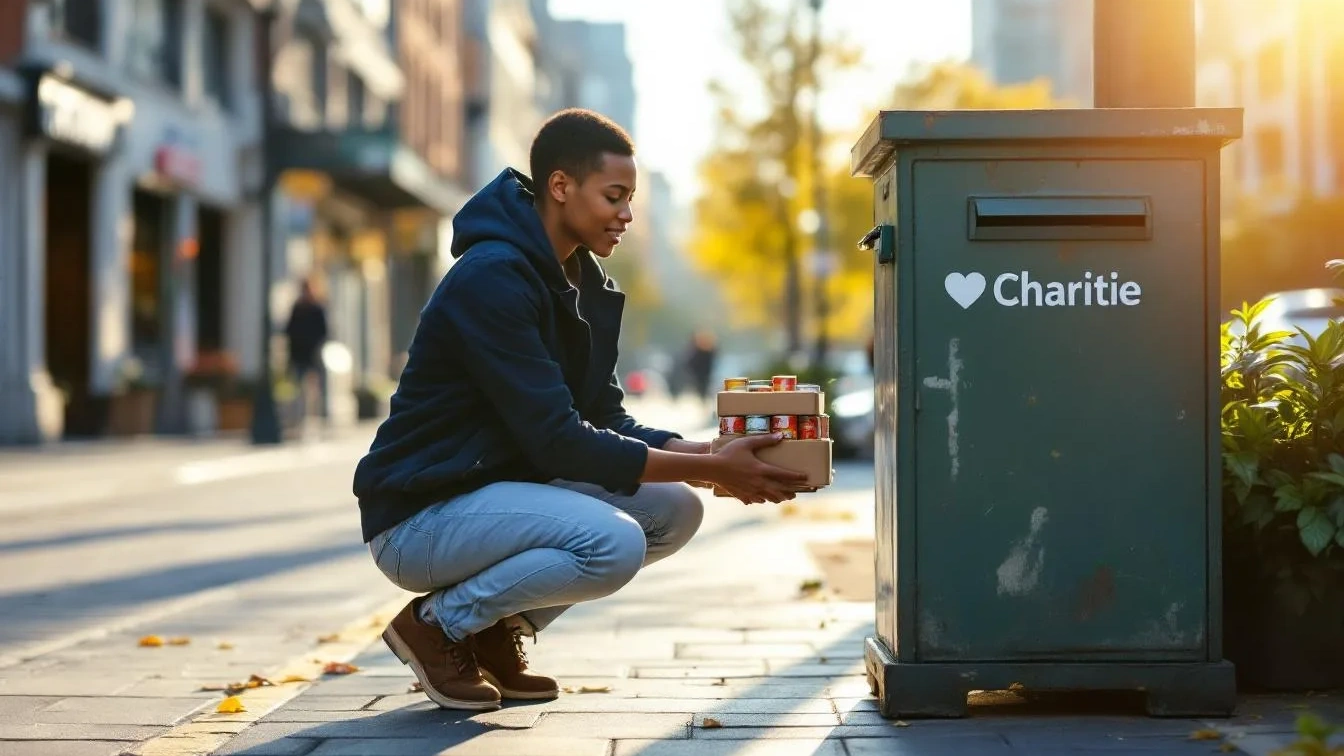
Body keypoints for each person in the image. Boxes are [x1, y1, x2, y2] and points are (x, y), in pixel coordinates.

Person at [352, 109, 808, 712]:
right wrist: (719, 467)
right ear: (561, 186)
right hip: (420, 516)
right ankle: (438, 624)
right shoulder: (491, 278)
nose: (626, 214)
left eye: (631, 199)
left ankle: (492, 631)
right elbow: (559, 442)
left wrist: (708, 458)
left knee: (674, 509)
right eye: (614, 197)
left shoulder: (582, 285)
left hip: (490, 497)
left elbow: (606, 418)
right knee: (611, 544)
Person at [284, 279, 328, 422]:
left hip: (313, 354)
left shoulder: (317, 308)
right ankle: (299, 418)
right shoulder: (297, 309)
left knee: (320, 386)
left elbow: (324, 332)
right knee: (298, 390)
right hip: (299, 355)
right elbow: (289, 330)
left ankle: (322, 415)